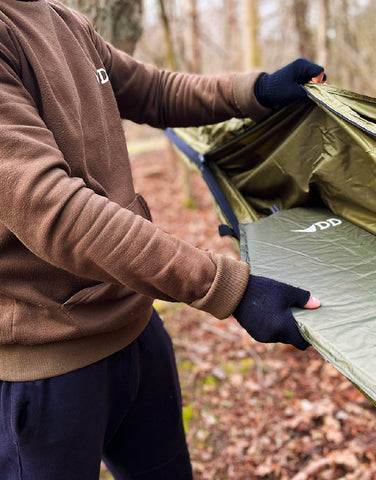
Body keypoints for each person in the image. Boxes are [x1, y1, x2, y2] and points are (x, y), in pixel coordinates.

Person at [0, 1, 325, 479]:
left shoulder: (62, 18)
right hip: (48, 366)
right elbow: (54, 209)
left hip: (136, 330)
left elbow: (153, 91)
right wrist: (226, 287)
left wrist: (255, 90)